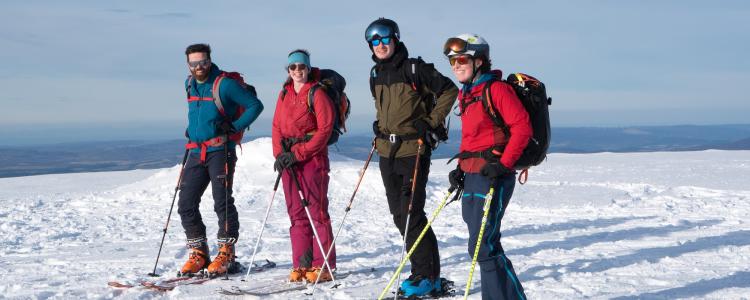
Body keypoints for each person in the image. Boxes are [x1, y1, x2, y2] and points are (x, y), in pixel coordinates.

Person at [365, 18, 458, 297]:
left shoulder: (415, 69)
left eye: (384, 38)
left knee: (411, 214)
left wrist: (430, 123)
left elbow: (449, 90)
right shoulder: (375, 74)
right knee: (399, 215)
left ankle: (424, 276)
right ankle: (428, 274)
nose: (380, 45)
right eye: (374, 40)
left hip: (413, 151)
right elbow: (388, 109)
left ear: (395, 38)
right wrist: (380, 125)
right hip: (387, 152)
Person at [444, 34, 531, 299]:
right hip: (472, 175)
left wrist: (504, 165)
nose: (456, 66)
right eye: (452, 62)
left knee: (483, 245)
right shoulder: (467, 92)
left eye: (461, 59)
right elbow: (471, 137)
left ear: (479, 60)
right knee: (483, 244)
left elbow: (522, 128)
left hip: (494, 175)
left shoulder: (496, 90)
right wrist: (461, 167)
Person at [178, 43, 264, 276]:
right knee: (186, 203)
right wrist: (193, 130)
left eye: (203, 62)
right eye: (194, 63)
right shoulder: (189, 84)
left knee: (222, 201)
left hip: (220, 150)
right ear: (188, 64)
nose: (199, 67)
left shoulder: (224, 84)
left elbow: (255, 106)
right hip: (196, 151)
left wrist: (234, 126)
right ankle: (199, 253)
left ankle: (227, 252)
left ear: (210, 60)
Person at [272, 49, 336, 283]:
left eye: (301, 67)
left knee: (316, 212)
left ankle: (324, 265)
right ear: (288, 70)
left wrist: (299, 154)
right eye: (293, 67)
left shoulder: (317, 93)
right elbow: (277, 126)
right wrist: (280, 155)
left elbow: (324, 130)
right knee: (297, 214)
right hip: (289, 160)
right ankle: (301, 263)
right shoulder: (284, 94)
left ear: (308, 68)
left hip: (312, 158)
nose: (297, 71)